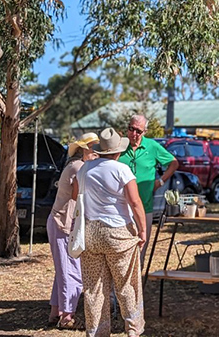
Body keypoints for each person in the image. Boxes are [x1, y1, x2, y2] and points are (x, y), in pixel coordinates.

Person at [73, 127, 147, 337]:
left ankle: (96, 332)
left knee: (94, 288)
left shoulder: (85, 169)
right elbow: (135, 201)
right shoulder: (121, 169)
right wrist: (142, 230)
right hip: (118, 231)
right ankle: (133, 329)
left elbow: (75, 195)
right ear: (117, 151)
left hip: (90, 232)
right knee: (126, 284)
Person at [47, 132, 99, 329]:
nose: (97, 153)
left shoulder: (75, 165)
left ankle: (55, 312)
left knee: (64, 269)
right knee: (72, 271)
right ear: (85, 149)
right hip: (64, 223)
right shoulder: (79, 167)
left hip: (61, 221)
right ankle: (67, 316)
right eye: (94, 148)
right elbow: (79, 195)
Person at [118, 114, 179, 262]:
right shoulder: (119, 146)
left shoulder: (152, 146)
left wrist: (160, 182)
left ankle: (138, 284)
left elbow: (174, 163)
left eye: (138, 131)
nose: (134, 134)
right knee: (121, 255)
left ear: (145, 132)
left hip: (144, 208)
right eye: (131, 129)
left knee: (140, 253)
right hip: (120, 210)